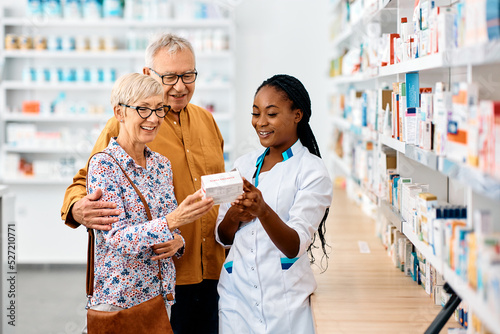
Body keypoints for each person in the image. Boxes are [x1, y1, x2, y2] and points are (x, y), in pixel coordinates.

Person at [61, 33, 226, 334]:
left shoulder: (207, 121)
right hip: (148, 283)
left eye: (188, 75)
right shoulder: (126, 123)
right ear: (148, 73)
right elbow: (85, 180)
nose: (180, 85)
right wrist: (76, 209)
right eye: (171, 76)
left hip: (210, 269)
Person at [216, 74, 333, 334]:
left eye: (271, 114)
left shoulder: (312, 171)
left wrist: (263, 211)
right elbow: (224, 237)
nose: (260, 123)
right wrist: (235, 213)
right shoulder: (243, 165)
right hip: (236, 298)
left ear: (297, 115)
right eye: (256, 113)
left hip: (285, 302)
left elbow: (294, 246)